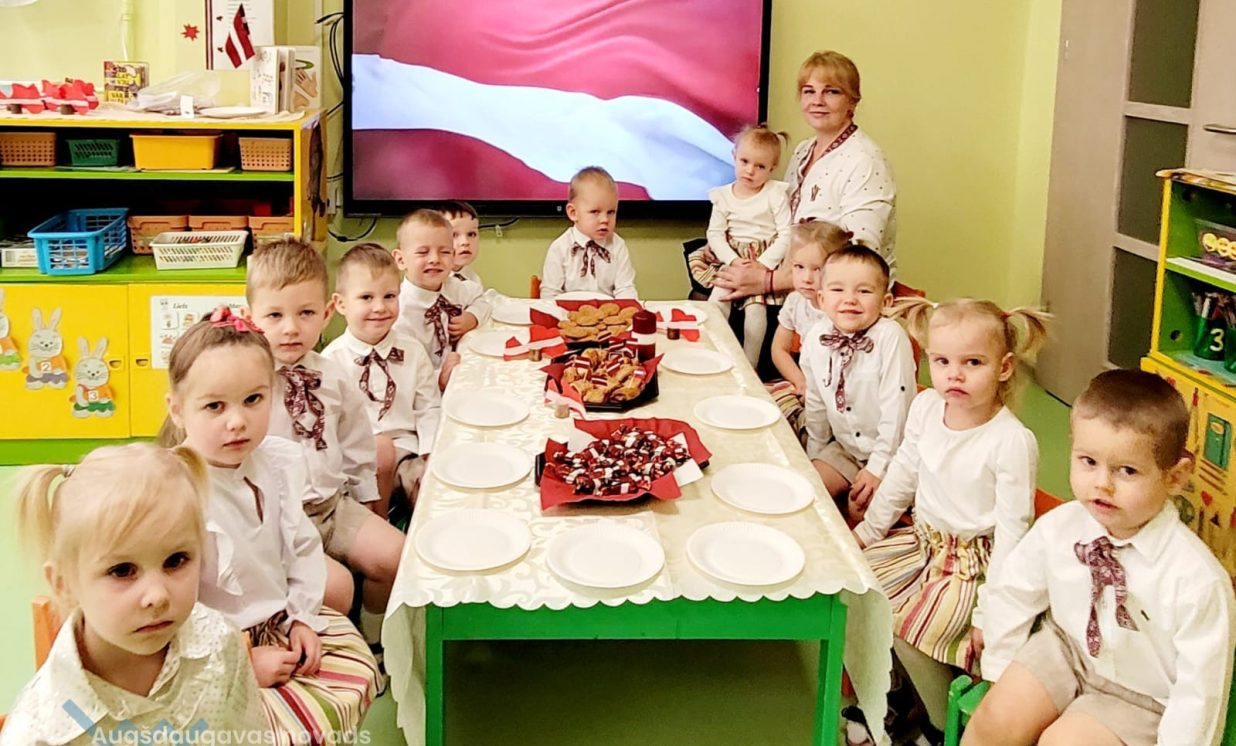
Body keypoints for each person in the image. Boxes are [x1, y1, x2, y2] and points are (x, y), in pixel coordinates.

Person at [965, 370, 1236, 746]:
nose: (1102, 484)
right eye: (1088, 461)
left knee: (1064, 742)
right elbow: (1014, 591)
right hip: (1066, 649)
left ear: (1174, 477)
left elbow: (1200, 694)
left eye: (1127, 470)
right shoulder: (1061, 526)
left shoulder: (1196, 580)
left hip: (1141, 697)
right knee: (993, 721)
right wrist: (1000, 666)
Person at [161, 311, 380, 745]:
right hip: (205, 654)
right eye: (214, 406)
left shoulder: (274, 463)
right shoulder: (175, 491)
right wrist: (241, 662)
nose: (237, 421)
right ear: (178, 410)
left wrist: (301, 619)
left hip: (274, 624)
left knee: (353, 674)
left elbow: (299, 549)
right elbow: (170, 611)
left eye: (253, 399)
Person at [847, 297, 1050, 742]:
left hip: (974, 569)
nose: (954, 374)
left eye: (972, 362)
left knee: (908, 626)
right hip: (923, 546)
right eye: (941, 361)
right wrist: (868, 531)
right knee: (858, 591)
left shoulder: (1011, 440)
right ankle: (896, 694)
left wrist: (991, 612)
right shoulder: (926, 407)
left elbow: (1014, 533)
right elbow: (903, 472)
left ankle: (942, 726)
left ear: (1004, 367)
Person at [3, 443, 267, 746]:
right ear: (63, 583)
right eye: (122, 570)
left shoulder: (221, 645)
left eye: (176, 560)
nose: (157, 596)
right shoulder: (39, 730)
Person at [245, 241, 405, 632]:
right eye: (274, 315)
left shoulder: (333, 373)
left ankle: (373, 640)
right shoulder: (246, 383)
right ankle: (324, 640)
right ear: (251, 317)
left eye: (306, 313)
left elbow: (356, 442)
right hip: (278, 523)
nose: (291, 328)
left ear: (327, 312)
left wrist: (367, 499)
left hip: (333, 507)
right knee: (336, 587)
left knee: (396, 556)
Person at [711, 50, 897, 306]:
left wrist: (769, 281)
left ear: (852, 102)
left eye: (832, 92)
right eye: (809, 91)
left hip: (840, 307)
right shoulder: (803, 151)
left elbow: (860, 255)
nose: (817, 101)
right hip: (792, 297)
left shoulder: (864, 161)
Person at [802, 245, 917, 524]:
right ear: (821, 298)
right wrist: (814, 454)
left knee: (860, 512)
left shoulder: (890, 337)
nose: (850, 299)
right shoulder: (817, 337)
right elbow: (816, 402)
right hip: (846, 449)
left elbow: (896, 411)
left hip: (894, 454)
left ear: (885, 301)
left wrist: (878, 468)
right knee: (808, 491)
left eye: (864, 291)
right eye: (837, 289)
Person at [324, 243, 440, 513]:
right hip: (355, 465)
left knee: (431, 493)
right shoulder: (331, 362)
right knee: (377, 455)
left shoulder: (412, 351)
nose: (380, 307)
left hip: (407, 455)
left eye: (389, 296)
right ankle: (376, 526)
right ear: (341, 304)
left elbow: (428, 407)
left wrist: (430, 454)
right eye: (366, 297)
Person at [685, 124, 792, 366]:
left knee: (755, 311)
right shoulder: (722, 196)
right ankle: (714, 354)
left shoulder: (775, 194)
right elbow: (715, 233)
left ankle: (749, 365)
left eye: (760, 166)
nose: (750, 171)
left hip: (762, 260)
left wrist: (763, 264)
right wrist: (732, 260)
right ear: (734, 155)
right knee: (716, 302)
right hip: (733, 258)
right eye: (744, 161)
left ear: (773, 167)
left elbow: (786, 233)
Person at [766, 221, 854, 444]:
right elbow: (779, 349)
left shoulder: (845, 311)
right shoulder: (795, 301)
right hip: (807, 383)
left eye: (818, 269)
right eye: (799, 267)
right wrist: (800, 381)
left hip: (841, 391)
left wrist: (817, 390)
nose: (806, 278)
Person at [392, 209, 488, 390]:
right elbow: (401, 373)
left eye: (444, 252)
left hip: (456, 379)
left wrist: (472, 317)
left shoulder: (454, 287)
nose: (435, 259)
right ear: (400, 259)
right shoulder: (399, 314)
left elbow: (481, 299)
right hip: (422, 394)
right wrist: (438, 378)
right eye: (423, 252)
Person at [540, 166, 639, 299]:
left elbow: (625, 289)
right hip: (567, 311)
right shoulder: (560, 248)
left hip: (607, 311)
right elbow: (550, 294)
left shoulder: (618, 246)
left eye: (611, 212)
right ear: (573, 213)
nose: (605, 220)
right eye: (595, 212)